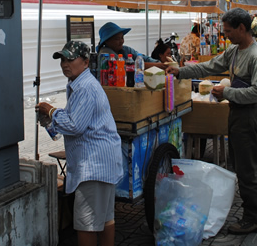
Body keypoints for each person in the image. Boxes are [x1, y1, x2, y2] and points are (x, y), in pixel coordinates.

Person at [167, 8, 257, 235]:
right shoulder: (233, 50)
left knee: (245, 170)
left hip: (249, 117)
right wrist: (180, 71)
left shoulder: (256, 56)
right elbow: (210, 66)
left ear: (242, 28)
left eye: (229, 31)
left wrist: (227, 94)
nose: (226, 34)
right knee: (245, 166)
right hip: (236, 114)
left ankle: (253, 217)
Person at [36, 41, 122, 246]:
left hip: (94, 166)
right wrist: (54, 118)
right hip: (102, 163)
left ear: (85, 62)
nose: (65, 64)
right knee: (104, 218)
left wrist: (51, 110)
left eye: (70, 59)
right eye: (63, 59)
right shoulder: (80, 84)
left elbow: (75, 126)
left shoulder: (84, 87)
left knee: (87, 223)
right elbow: (76, 120)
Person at [97, 22, 165, 69]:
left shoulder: (126, 49)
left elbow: (142, 57)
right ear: (107, 41)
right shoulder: (105, 53)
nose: (121, 41)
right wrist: (157, 65)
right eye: (117, 39)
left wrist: (158, 64)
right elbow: (124, 67)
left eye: (122, 38)